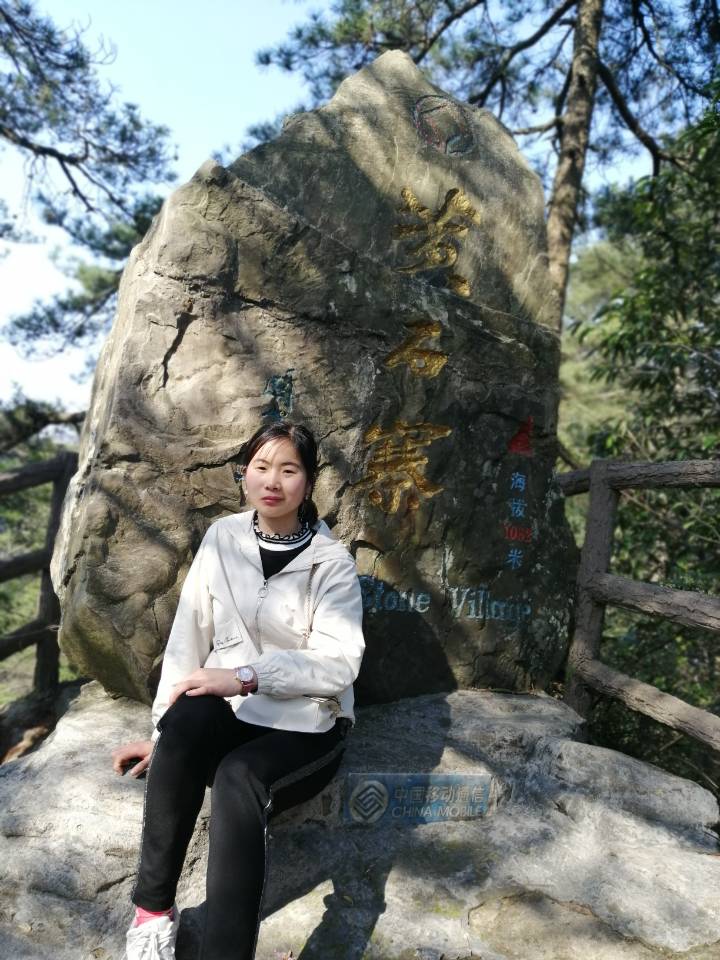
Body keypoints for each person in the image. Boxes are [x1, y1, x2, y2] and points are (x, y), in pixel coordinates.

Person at [111, 421, 365, 960]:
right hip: (233, 715)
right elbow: (188, 638)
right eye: (261, 467)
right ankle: (152, 916)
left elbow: (339, 665)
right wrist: (163, 740)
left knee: (238, 776)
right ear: (244, 473)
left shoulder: (333, 563)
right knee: (185, 718)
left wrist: (247, 675)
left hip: (307, 727)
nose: (272, 481)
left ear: (309, 481)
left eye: (289, 470)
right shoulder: (222, 538)